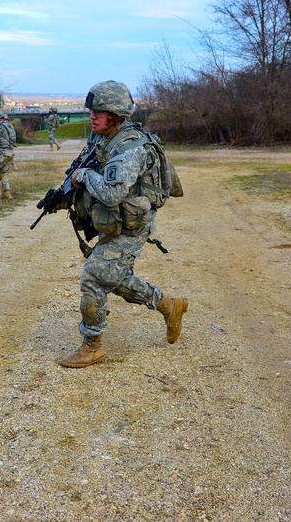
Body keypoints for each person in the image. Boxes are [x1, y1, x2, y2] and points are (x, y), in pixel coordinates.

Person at [58, 80, 187, 368]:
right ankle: (169, 305)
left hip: (131, 223)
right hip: (117, 220)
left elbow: (112, 193)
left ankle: (92, 345)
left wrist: (83, 178)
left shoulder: (130, 149)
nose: (92, 116)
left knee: (94, 275)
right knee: (113, 277)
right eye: (91, 110)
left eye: (99, 112)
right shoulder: (102, 137)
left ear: (115, 115)